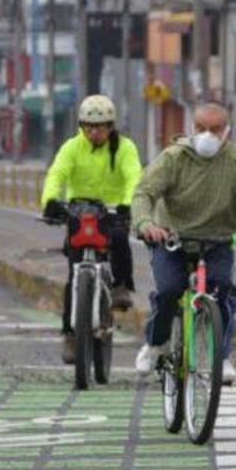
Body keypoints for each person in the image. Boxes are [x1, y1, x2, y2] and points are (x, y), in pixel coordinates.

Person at [132, 102, 236, 385]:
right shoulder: (173, 158)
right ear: (191, 128)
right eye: (201, 128)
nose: (208, 135)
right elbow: (144, 193)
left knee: (220, 293)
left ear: (227, 132)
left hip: (217, 241)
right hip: (171, 238)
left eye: (215, 129)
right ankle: (155, 343)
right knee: (170, 290)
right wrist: (146, 224)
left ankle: (219, 356)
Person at [41, 94, 143, 365]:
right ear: (81, 126)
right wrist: (50, 201)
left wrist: (127, 205)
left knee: (120, 240)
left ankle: (121, 286)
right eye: (89, 126)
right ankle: (71, 334)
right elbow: (57, 174)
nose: (94, 132)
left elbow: (134, 176)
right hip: (80, 212)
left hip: (112, 212)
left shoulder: (125, 148)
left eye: (101, 126)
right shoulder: (72, 147)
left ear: (111, 126)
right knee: (73, 275)